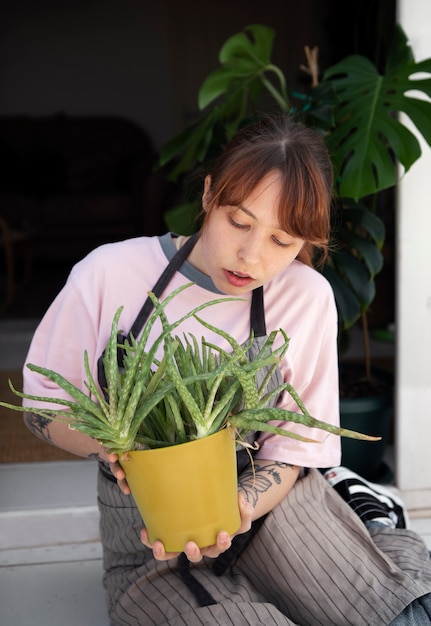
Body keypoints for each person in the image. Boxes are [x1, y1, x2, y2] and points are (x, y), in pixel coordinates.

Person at [22, 114, 431, 625]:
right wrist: (116, 446)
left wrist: (238, 505)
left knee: (394, 613)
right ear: (209, 195)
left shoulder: (304, 297)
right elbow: (44, 404)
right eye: (239, 221)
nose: (251, 256)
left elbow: (295, 445)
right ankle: (367, 522)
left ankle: (376, 523)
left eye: (283, 242)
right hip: (150, 541)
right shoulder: (108, 274)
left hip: (270, 510)